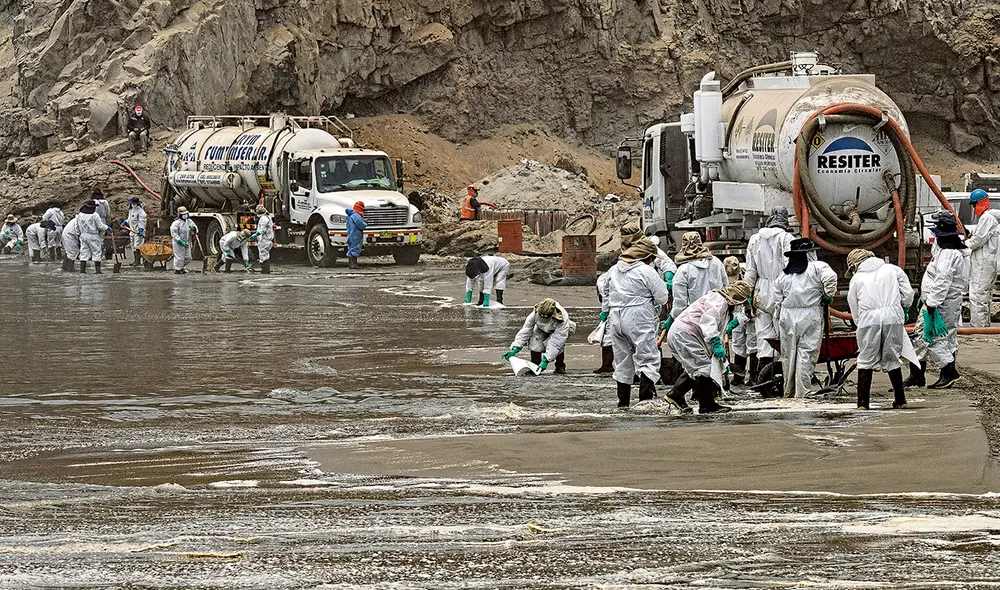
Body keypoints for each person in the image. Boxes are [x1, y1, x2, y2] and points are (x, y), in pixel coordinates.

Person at [665, 280, 753, 414]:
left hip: (683, 333)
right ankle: (707, 405)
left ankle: (676, 395)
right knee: (703, 368)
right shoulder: (719, 301)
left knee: (695, 368)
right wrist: (716, 344)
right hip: (685, 334)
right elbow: (709, 322)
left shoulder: (720, 302)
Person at [602, 238, 670, 407]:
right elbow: (662, 297)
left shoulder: (613, 270)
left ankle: (623, 403)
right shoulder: (645, 271)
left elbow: (604, 291)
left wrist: (605, 311)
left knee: (623, 360)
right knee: (647, 357)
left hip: (615, 317)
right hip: (638, 315)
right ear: (647, 258)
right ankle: (645, 402)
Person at [907, 211, 971, 389]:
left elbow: (942, 282)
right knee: (943, 336)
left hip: (940, 303)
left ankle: (948, 371)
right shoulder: (951, 251)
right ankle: (918, 375)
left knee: (929, 336)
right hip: (944, 302)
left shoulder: (949, 255)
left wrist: (932, 304)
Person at [847, 249, 915, 410]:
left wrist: (859, 322)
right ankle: (901, 400)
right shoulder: (893, 269)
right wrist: (904, 307)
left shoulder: (857, 278)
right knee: (892, 356)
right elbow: (908, 293)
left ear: (854, 265)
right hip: (893, 316)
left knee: (865, 359)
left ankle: (863, 404)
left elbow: (853, 304)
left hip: (868, 320)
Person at [773, 238, 838, 398]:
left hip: (786, 316)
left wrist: (777, 321)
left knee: (788, 355)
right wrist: (828, 295)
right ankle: (802, 393)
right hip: (809, 314)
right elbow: (831, 278)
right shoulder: (818, 267)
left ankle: (789, 392)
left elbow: (776, 300)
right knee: (806, 354)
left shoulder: (784, 274)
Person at [745, 206, 796, 382]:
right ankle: (784, 376)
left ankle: (764, 378)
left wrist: (748, 294)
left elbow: (750, 272)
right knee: (783, 335)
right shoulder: (786, 238)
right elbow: (790, 268)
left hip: (761, 291)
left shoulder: (754, 239)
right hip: (780, 290)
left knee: (764, 336)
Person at [502, 298, 577, 374]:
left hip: (558, 331)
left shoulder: (562, 320)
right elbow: (526, 330)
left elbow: (556, 342)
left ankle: (560, 366)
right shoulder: (535, 313)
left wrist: (546, 360)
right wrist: (515, 347)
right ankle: (534, 366)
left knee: (559, 346)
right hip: (541, 328)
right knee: (535, 342)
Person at [668, 232, 727, 322]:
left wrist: (673, 317)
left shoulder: (684, 270)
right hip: (717, 315)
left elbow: (680, 303)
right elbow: (726, 288)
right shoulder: (717, 262)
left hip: (695, 319)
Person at [966, 189, 1000, 327]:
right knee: (984, 297)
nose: (974, 208)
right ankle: (984, 326)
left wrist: (963, 245)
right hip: (987, 261)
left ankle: (978, 328)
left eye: (974, 205)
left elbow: (977, 241)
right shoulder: (990, 217)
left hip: (983, 263)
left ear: (978, 203)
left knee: (978, 296)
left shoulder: (987, 218)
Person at [724, 256, 756, 387]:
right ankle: (739, 376)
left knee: (753, 344)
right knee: (737, 344)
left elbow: (750, 309)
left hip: (751, 314)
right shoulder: (725, 277)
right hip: (736, 312)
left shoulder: (748, 278)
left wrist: (737, 320)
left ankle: (754, 376)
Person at [76, 199, 110, 273]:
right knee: (96, 252)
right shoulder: (95, 215)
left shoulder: (80, 215)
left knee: (84, 253)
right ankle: (98, 271)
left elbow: (76, 226)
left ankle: (82, 270)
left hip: (83, 235)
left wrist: (79, 234)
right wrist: (107, 228)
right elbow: (100, 226)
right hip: (93, 236)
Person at [593, 271, 615, 374]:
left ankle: (607, 365)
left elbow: (605, 297)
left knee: (607, 338)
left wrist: (605, 311)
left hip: (616, 309)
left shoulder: (602, 281)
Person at [170, 206, 198, 274]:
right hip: (178, 243)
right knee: (179, 257)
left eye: (186, 214)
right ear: (180, 215)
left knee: (188, 257)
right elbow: (174, 234)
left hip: (187, 241)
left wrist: (194, 229)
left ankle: (182, 267)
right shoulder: (176, 223)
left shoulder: (189, 221)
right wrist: (179, 241)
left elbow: (195, 229)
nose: (185, 215)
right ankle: (178, 270)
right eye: (183, 214)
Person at [124, 197, 147, 266]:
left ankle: (138, 261)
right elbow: (129, 219)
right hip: (132, 230)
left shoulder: (141, 212)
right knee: (133, 246)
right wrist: (125, 222)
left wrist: (141, 229)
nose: (132, 205)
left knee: (137, 246)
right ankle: (135, 260)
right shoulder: (131, 210)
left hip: (138, 231)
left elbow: (142, 222)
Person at [346, 201, 367, 269]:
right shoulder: (356, 216)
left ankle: (350, 264)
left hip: (351, 234)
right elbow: (361, 225)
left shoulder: (350, 216)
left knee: (351, 248)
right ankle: (354, 264)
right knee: (355, 249)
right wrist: (365, 223)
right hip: (356, 235)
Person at [254, 205, 274, 274]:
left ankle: (265, 271)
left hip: (264, 239)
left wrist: (256, 236)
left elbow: (261, 230)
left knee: (263, 256)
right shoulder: (268, 217)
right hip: (268, 239)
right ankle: (266, 270)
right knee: (265, 255)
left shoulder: (263, 219)